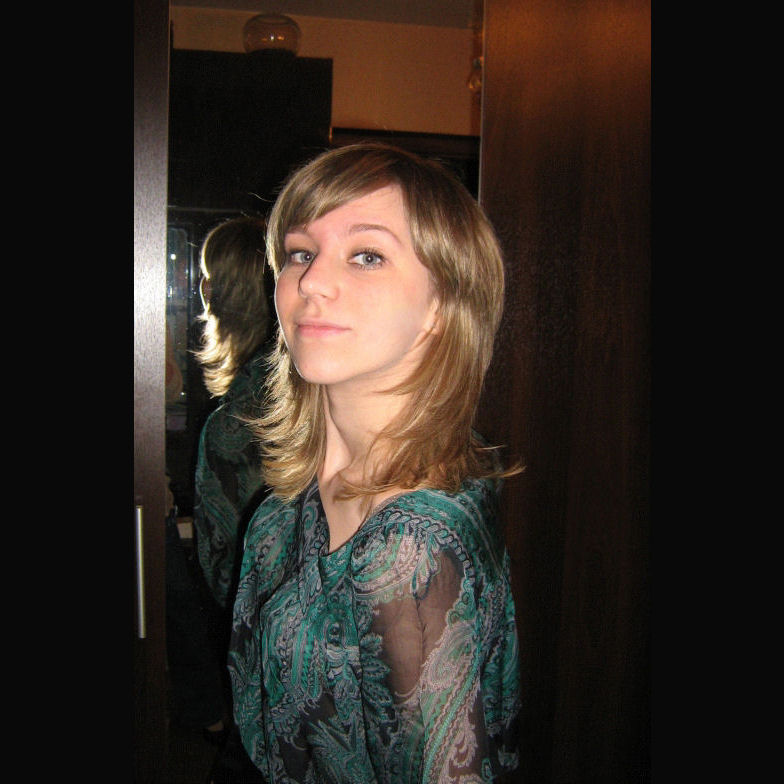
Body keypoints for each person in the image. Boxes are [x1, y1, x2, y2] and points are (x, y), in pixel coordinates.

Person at [227, 143, 522, 783]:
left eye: (367, 256)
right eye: (300, 253)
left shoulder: (410, 548)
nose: (312, 282)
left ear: (441, 305)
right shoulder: (289, 503)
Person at [193, 216, 272, 614]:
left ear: (214, 294)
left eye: (208, 277)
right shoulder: (313, 390)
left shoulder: (228, 427)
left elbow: (221, 573)